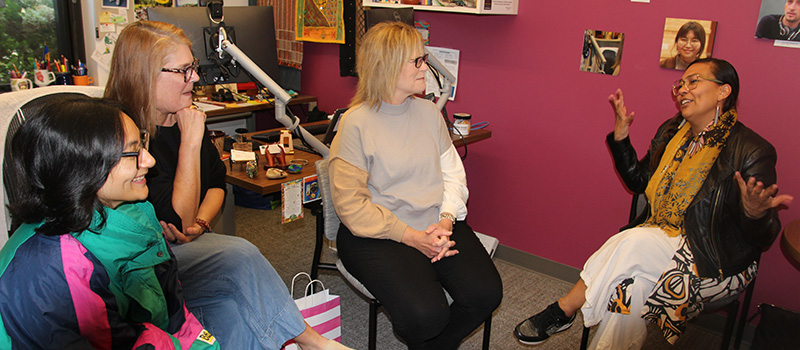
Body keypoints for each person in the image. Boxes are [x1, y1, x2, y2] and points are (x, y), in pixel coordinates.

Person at [514, 58, 793, 349]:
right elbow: (639, 182)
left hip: (714, 260)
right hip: (655, 242)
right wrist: (621, 138)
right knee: (630, 288)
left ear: (724, 91)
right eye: (680, 84)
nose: (682, 90)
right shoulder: (672, 133)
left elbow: (763, 237)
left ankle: (565, 308)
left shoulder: (751, 150)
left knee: (633, 241)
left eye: (693, 82)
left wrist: (754, 213)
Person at [104, 21, 348, 350]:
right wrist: (190, 143)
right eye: (183, 70)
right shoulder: (125, 136)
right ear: (144, 74)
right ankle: (313, 342)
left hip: (187, 247)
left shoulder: (184, 115)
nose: (195, 78)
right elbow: (177, 218)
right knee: (239, 254)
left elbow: (217, 184)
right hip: (149, 261)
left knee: (231, 309)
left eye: (193, 67)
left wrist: (201, 223)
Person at [328, 22, 503, 350]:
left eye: (425, 59)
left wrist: (446, 220)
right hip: (377, 234)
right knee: (426, 316)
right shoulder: (355, 124)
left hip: (435, 222)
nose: (426, 68)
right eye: (418, 61)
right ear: (388, 65)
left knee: (486, 294)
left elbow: (453, 174)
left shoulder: (429, 114)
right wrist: (412, 237)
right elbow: (352, 208)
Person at [0, 97, 219, 349]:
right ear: (84, 166)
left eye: (143, 145)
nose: (149, 160)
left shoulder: (133, 211)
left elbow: (172, 309)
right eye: (133, 152)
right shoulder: (54, 267)